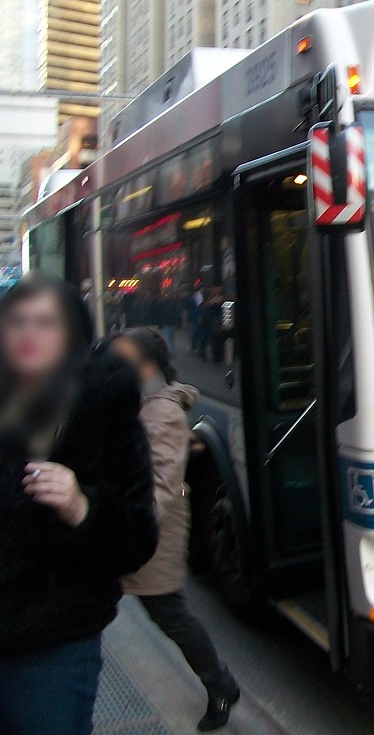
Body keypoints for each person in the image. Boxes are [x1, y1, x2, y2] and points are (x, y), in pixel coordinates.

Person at [0, 273, 158, 735]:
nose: (29, 333)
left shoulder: (102, 410)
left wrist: (81, 509)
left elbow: (137, 541)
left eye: (45, 322)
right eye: (18, 321)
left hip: (49, 649)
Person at [111, 327, 240, 732]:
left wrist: (122, 525)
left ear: (146, 366)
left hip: (155, 534)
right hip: (135, 530)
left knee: (170, 614)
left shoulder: (163, 412)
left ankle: (220, 684)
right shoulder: (141, 402)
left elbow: (162, 487)